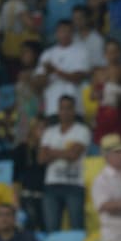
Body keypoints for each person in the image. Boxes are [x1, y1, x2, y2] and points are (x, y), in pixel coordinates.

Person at [38, 94, 91, 232]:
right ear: (58, 110)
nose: (65, 112)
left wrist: (52, 152)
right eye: (62, 108)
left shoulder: (82, 130)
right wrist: (65, 152)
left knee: (77, 228)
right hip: (51, 184)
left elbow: (73, 155)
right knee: (51, 229)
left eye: (68, 108)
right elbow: (42, 158)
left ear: (74, 110)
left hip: (74, 184)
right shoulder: (49, 131)